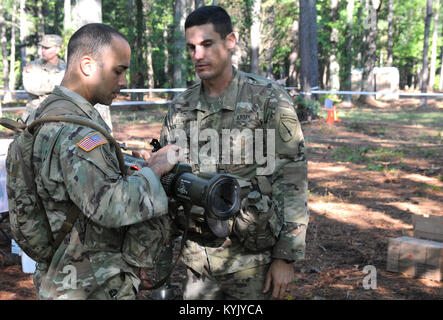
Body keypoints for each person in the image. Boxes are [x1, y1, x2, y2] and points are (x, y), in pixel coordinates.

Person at [159, 6, 309, 300]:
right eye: (191, 48)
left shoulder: (267, 99)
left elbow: (291, 180)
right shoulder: (180, 107)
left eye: (206, 44)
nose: (197, 55)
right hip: (198, 263)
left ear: (230, 41)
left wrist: (286, 257)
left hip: (254, 264)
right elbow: (168, 185)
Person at [24, 23, 179, 300]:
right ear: (87, 65)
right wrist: (155, 170)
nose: (124, 81)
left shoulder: (47, 113)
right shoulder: (77, 132)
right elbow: (109, 206)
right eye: (118, 71)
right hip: (90, 284)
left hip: (59, 274)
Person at [22, 34, 113, 131]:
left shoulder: (67, 68)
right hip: (35, 112)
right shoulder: (32, 67)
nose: (43, 51)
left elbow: (75, 89)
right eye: (42, 47)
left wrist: (52, 88)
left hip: (61, 113)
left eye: (47, 48)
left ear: (57, 49)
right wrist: (59, 88)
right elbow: (31, 87)